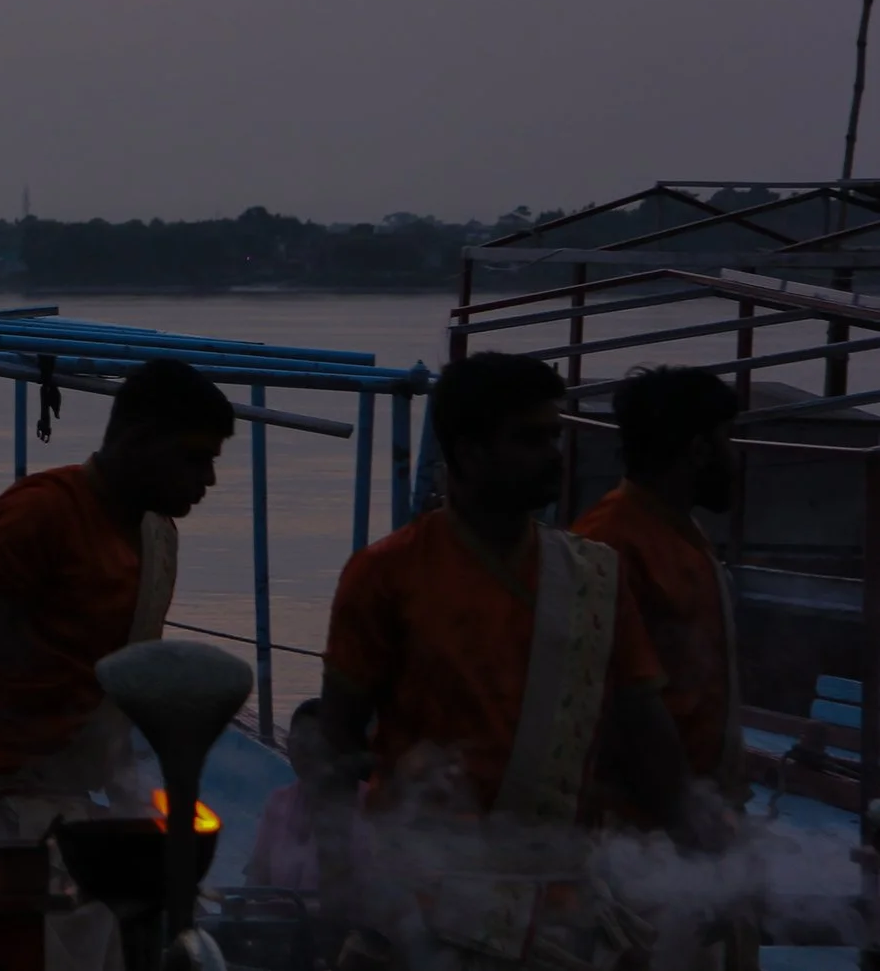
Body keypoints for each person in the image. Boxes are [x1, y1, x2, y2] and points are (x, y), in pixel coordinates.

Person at [318, 353, 699, 971]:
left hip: (562, 895)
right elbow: (337, 741)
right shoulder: (386, 574)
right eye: (530, 438)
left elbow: (643, 720)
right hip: (423, 897)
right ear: (468, 452)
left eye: (554, 435)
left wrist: (700, 847)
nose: (553, 452)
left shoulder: (595, 577)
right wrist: (336, 883)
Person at [0, 357, 236, 859]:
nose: (209, 479)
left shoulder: (158, 537)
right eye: (194, 459)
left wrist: (134, 803)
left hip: (68, 801)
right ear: (139, 440)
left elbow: (111, 685)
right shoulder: (37, 513)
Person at [571, 367, 746, 818]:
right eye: (728, 440)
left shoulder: (680, 530)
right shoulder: (609, 544)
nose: (736, 458)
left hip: (691, 812)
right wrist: (681, 812)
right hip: (638, 827)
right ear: (697, 450)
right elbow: (612, 707)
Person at [243, 699, 333, 892]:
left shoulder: (366, 804)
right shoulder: (278, 802)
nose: (305, 755)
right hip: (280, 919)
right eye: (298, 744)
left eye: (314, 745)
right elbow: (257, 878)